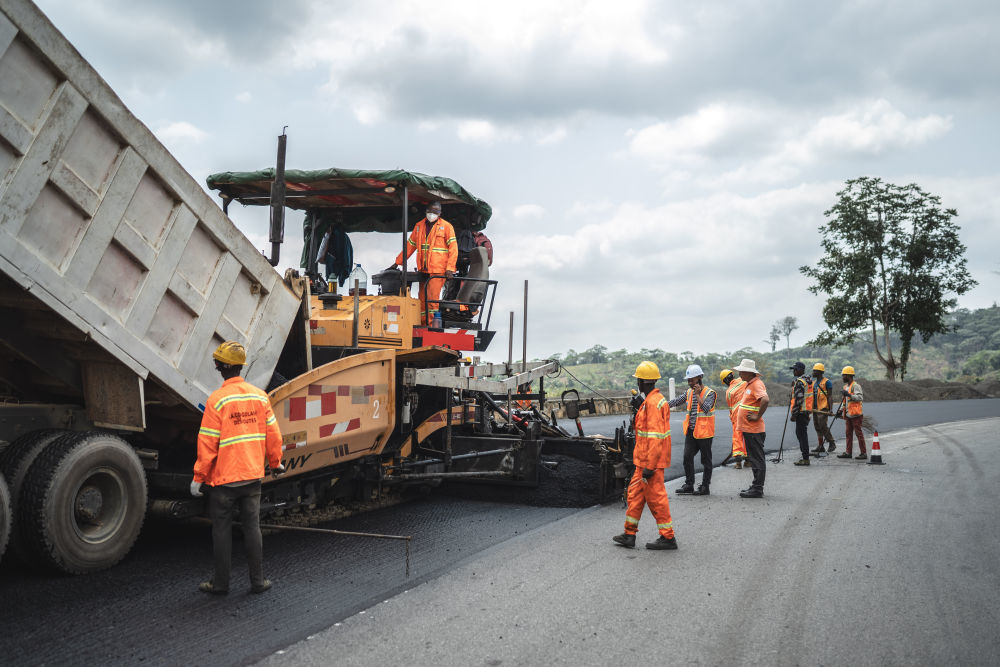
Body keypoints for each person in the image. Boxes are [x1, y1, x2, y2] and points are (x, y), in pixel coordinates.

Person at [191, 341, 284, 595]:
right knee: (252, 528)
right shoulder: (259, 396)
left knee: (221, 531)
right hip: (252, 477)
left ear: (220, 367)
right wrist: (275, 464)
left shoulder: (217, 401)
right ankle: (258, 582)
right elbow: (274, 436)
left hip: (224, 481)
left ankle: (220, 584)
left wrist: (199, 476)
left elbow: (207, 442)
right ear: (241, 367)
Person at [613, 361, 677, 550]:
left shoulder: (653, 404)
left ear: (643, 382)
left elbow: (656, 438)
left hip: (651, 462)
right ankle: (629, 534)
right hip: (642, 461)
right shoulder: (650, 402)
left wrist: (650, 466)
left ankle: (668, 538)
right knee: (635, 496)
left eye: (639, 380)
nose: (638, 383)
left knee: (656, 499)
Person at [385, 201, 457, 325]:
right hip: (423, 270)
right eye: (430, 211)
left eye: (435, 212)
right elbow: (410, 246)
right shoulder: (419, 226)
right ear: (426, 211)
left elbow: (453, 249)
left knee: (432, 299)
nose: (432, 214)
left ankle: (431, 326)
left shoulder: (446, 227)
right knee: (422, 300)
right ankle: (422, 324)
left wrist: (450, 268)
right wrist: (398, 262)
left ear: (440, 213)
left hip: (438, 270)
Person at [671, 364, 716, 496]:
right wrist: (660, 406)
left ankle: (705, 487)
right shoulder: (689, 392)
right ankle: (689, 485)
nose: (690, 383)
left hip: (705, 432)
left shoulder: (710, 393)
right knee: (687, 457)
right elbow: (676, 401)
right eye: (689, 380)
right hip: (691, 431)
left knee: (706, 460)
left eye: (692, 380)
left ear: (700, 377)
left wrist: (698, 395)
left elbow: (706, 408)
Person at [733, 358, 769, 498]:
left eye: (742, 371)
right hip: (749, 429)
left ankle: (758, 488)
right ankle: (755, 486)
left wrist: (757, 416)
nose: (740, 373)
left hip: (754, 430)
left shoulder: (756, 384)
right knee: (754, 459)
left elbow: (765, 400)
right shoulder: (750, 384)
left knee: (757, 459)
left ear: (749, 372)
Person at [836, 365, 867, 460]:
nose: (842, 377)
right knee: (848, 434)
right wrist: (840, 411)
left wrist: (849, 395)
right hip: (848, 415)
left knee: (858, 434)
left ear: (848, 376)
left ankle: (863, 453)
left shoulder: (855, 386)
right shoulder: (846, 387)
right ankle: (848, 452)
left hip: (856, 415)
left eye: (843, 375)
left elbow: (860, 398)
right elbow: (845, 401)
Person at [720, 369, 748, 468]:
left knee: (737, 437)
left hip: (737, 416)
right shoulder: (743, 381)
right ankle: (748, 461)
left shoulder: (728, 392)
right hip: (748, 412)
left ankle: (738, 462)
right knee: (748, 436)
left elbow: (731, 408)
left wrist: (732, 419)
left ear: (725, 381)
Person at [809, 363, 836, 454]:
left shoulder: (827, 382)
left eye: (814, 371)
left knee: (823, 425)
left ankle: (831, 442)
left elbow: (830, 396)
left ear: (820, 372)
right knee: (817, 426)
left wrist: (831, 409)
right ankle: (820, 446)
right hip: (815, 408)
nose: (813, 372)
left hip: (823, 408)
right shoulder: (814, 383)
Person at [789, 362, 811, 466]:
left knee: (801, 435)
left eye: (796, 369)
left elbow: (799, 399)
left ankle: (805, 458)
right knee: (802, 434)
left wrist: (794, 414)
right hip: (806, 411)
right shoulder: (808, 381)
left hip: (801, 412)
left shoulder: (800, 382)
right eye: (794, 369)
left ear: (801, 370)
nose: (794, 371)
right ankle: (805, 456)